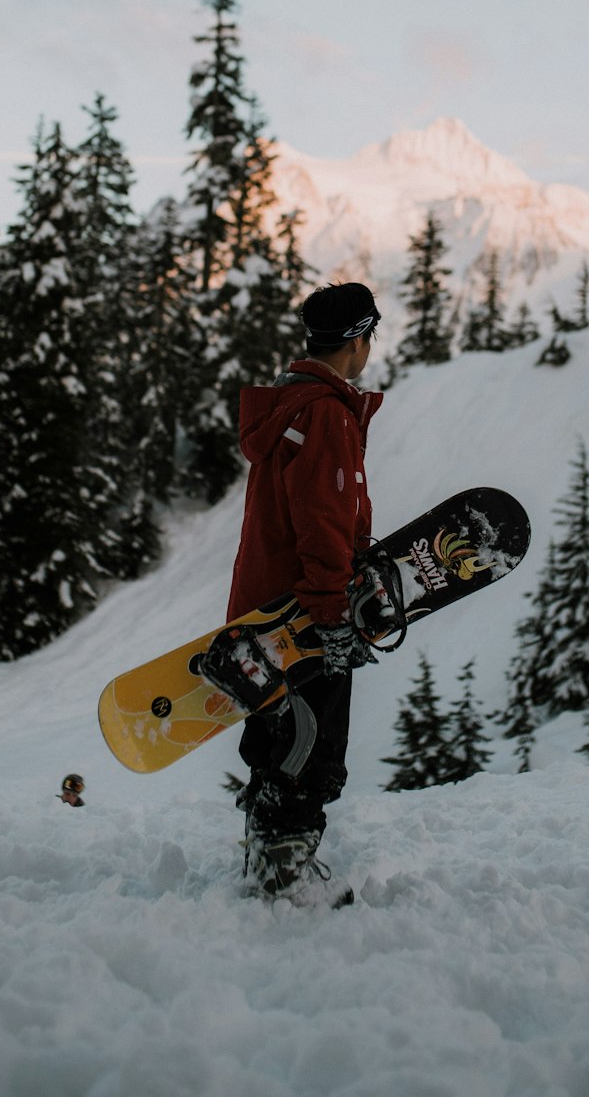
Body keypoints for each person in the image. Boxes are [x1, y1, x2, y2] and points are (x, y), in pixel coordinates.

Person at [227, 280, 384, 906]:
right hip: (303, 610)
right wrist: (331, 612)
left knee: (278, 735)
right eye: (369, 336)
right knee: (313, 742)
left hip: (266, 607)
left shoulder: (288, 406)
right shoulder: (323, 413)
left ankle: (268, 860)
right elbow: (323, 517)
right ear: (356, 340)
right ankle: (284, 877)